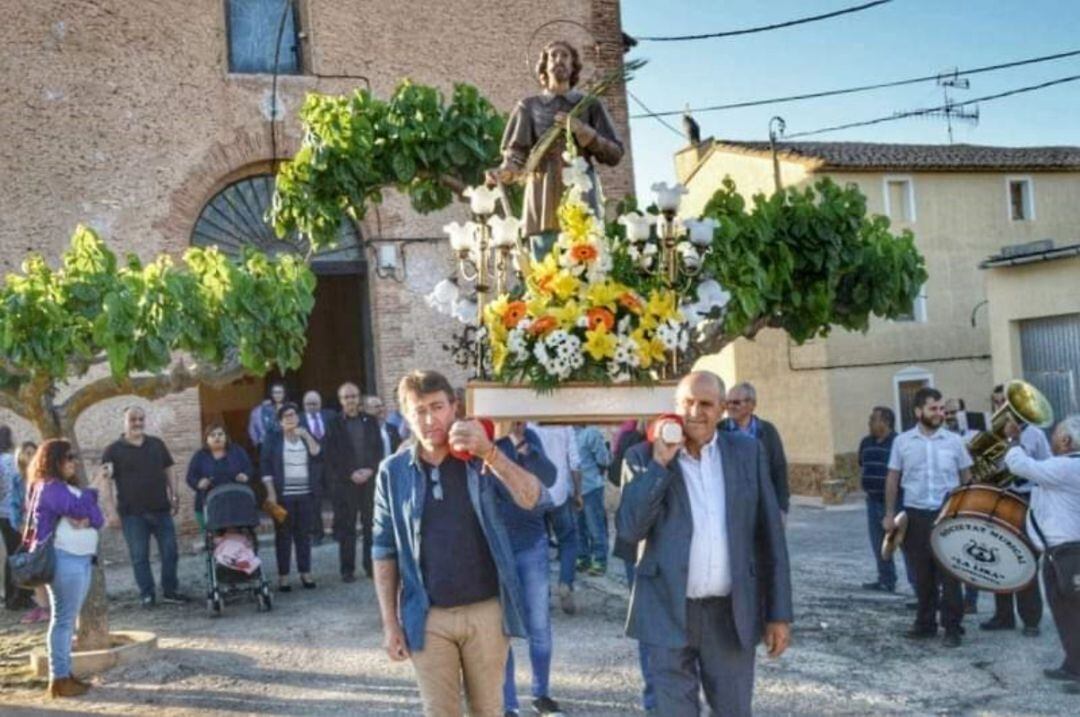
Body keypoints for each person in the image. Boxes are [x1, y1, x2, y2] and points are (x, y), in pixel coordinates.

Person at [371, 370, 550, 717]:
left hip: (485, 611)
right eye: (418, 410)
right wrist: (390, 624)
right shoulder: (392, 472)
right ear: (406, 416)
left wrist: (489, 453)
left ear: (454, 407)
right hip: (427, 615)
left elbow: (534, 498)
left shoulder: (482, 459)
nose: (428, 419)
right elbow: (383, 550)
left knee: (488, 710)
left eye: (437, 407)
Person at [617, 371, 792, 717]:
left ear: (723, 409)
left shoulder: (747, 452)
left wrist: (778, 614)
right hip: (667, 609)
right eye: (687, 403)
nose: (695, 412)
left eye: (706, 404)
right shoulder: (642, 457)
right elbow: (629, 530)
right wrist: (659, 466)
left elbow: (770, 536)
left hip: (729, 615)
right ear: (675, 407)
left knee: (733, 710)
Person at [491, 40, 624, 256]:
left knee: (586, 266)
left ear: (573, 66)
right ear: (544, 66)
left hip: (582, 195)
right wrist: (506, 171)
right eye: (553, 56)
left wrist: (584, 132)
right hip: (542, 197)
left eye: (565, 56)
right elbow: (515, 154)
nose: (558, 60)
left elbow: (615, 153)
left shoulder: (590, 105)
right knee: (544, 270)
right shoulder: (528, 107)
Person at [883, 387, 973, 647]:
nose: (940, 413)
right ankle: (925, 624)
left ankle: (953, 627)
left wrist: (967, 512)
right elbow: (893, 478)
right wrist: (889, 514)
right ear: (918, 411)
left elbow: (966, 477)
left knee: (950, 574)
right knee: (922, 575)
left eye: (942, 408)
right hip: (916, 515)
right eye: (934, 408)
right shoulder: (902, 442)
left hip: (947, 515)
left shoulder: (954, 441)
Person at [1003, 415, 1080, 693]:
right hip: (1058, 552)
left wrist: (1013, 439)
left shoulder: (1067, 466)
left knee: (1075, 611)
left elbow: (1019, 465)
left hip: (1071, 552)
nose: (1051, 440)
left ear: (1066, 441)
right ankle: (1074, 664)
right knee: (1065, 612)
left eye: (1056, 435)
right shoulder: (1065, 466)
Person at [26, 439, 105, 698]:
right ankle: (59, 678)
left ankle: (64, 675)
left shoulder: (65, 488)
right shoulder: (49, 488)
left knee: (66, 619)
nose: (74, 462)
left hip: (79, 559)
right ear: (55, 460)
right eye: (69, 457)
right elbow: (81, 508)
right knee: (63, 620)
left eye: (74, 457)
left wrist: (86, 509)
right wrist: (91, 493)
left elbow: (97, 518)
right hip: (64, 560)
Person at [495, 421, 563, 717]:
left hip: (532, 543)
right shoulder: (486, 438)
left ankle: (542, 695)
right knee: (501, 630)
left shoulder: (529, 437)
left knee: (539, 626)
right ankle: (508, 703)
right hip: (497, 546)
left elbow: (549, 476)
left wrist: (522, 444)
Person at [100, 406, 189, 608]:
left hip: (160, 509)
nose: (138, 423)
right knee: (139, 557)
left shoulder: (157, 444)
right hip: (132, 514)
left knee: (170, 552)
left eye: (141, 419)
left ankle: (170, 591)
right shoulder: (112, 450)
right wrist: (111, 511)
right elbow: (106, 482)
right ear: (124, 421)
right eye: (133, 419)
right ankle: (147, 594)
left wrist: (174, 494)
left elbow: (169, 469)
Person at [609, 419, 656, 714]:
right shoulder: (632, 441)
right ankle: (653, 697)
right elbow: (615, 475)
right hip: (637, 544)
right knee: (646, 618)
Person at [323, 382, 382, 581]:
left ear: (359, 399)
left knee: (369, 527)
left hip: (369, 482)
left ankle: (370, 567)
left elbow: (378, 449)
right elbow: (331, 455)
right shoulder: (333, 423)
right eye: (346, 397)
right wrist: (350, 473)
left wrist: (370, 469)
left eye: (354, 396)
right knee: (347, 528)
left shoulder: (371, 421)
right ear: (340, 401)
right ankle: (347, 570)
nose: (350, 400)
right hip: (345, 484)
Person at [260, 403, 322, 591]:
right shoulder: (273, 439)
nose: (291, 418)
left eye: (293, 415)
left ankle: (305, 572)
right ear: (280, 421)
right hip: (282, 496)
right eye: (286, 416)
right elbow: (265, 467)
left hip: (305, 494)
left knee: (303, 535)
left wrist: (306, 435)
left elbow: (317, 453)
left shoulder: (305, 436)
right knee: (283, 536)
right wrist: (271, 493)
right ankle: (284, 576)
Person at [719, 381, 791, 520]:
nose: (730, 407)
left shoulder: (767, 431)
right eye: (727, 403)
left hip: (764, 503)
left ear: (752, 405)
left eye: (736, 402)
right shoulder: (719, 430)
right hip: (733, 507)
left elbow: (779, 468)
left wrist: (782, 507)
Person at [532, 423, 581, 614]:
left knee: (539, 544)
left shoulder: (530, 425)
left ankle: (542, 595)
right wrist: (578, 492)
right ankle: (565, 583)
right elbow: (575, 462)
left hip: (535, 494)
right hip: (560, 493)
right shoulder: (566, 426)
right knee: (568, 540)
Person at [944, 397, 981, 614]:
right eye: (947, 413)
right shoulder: (946, 438)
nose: (950, 417)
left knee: (971, 548)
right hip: (951, 499)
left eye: (954, 412)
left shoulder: (975, 435)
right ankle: (952, 597)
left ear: (964, 412)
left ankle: (971, 599)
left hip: (973, 497)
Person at [859, 407, 900, 593]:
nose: (869, 422)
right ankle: (886, 579)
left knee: (897, 542)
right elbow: (862, 464)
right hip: (872, 500)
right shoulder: (866, 442)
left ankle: (919, 589)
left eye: (872, 419)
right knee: (878, 544)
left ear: (885, 422)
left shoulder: (898, 443)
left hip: (893, 502)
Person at [185, 422, 254, 532]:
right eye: (212, 435)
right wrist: (198, 483)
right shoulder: (200, 456)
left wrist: (245, 475)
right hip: (209, 505)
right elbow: (190, 477)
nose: (217, 437)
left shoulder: (237, 451)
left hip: (236, 503)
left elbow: (249, 468)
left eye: (220, 434)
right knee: (214, 539)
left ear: (226, 436)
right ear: (206, 439)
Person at [14, 441, 48, 624]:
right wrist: (18, 524)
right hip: (28, 529)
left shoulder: (45, 477)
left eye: (33, 452)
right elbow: (15, 504)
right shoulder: (18, 480)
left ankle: (50, 606)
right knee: (33, 569)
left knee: (47, 566)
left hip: (45, 527)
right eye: (26, 453)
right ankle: (42, 606)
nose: (30, 456)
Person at [1, 425, 33, 611]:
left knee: (13, 555)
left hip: (4, 514)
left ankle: (13, 596)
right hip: (16, 514)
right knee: (21, 555)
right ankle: (20, 595)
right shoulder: (11, 460)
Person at [574, 424, 611, 576]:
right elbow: (604, 460)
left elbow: (604, 460)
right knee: (589, 526)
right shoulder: (590, 433)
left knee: (586, 526)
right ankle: (593, 560)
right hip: (586, 487)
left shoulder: (570, 433)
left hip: (584, 488)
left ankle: (592, 559)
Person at [301, 390, 335, 545]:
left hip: (331, 464)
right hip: (310, 466)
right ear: (304, 404)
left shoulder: (330, 416)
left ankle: (338, 531)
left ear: (320, 404)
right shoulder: (299, 420)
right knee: (314, 501)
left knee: (337, 498)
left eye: (315, 403)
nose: (312, 407)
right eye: (309, 404)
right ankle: (316, 534)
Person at [248, 380, 288, 450]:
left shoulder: (289, 408)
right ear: (271, 394)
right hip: (266, 446)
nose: (278, 395)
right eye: (275, 392)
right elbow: (252, 429)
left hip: (286, 445)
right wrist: (258, 443)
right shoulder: (259, 410)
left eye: (280, 392)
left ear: (284, 394)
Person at [365, 394, 403, 463]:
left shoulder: (392, 429)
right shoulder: (364, 431)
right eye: (377, 407)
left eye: (382, 405)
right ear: (367, 410)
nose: (381, 409)